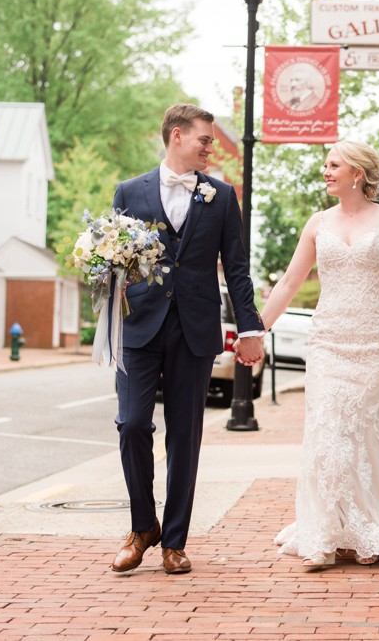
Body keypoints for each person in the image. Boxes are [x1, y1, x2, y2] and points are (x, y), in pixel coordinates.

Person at [253, 140, 379, 569]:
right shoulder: (317, 223)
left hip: (376, 341)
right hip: (329, 340)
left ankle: (369, 527)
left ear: (358, 173)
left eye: (334, 164)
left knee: (366, 430)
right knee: (327, 430)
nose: (325, 170)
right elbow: (290, 282)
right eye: (326, 164)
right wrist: (255, 330)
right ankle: (322, 535)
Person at [108, 103, 265, 575]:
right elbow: (114, 262)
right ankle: (143, 526)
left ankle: (174, 541)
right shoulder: (129, 192)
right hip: (140, 327)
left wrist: (251, 327)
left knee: (186, 437)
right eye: (204, 140)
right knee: (132, 423)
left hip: (195, 330)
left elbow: (235, 267)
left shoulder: (221, 196)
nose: (210, 148)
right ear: (177, 136)